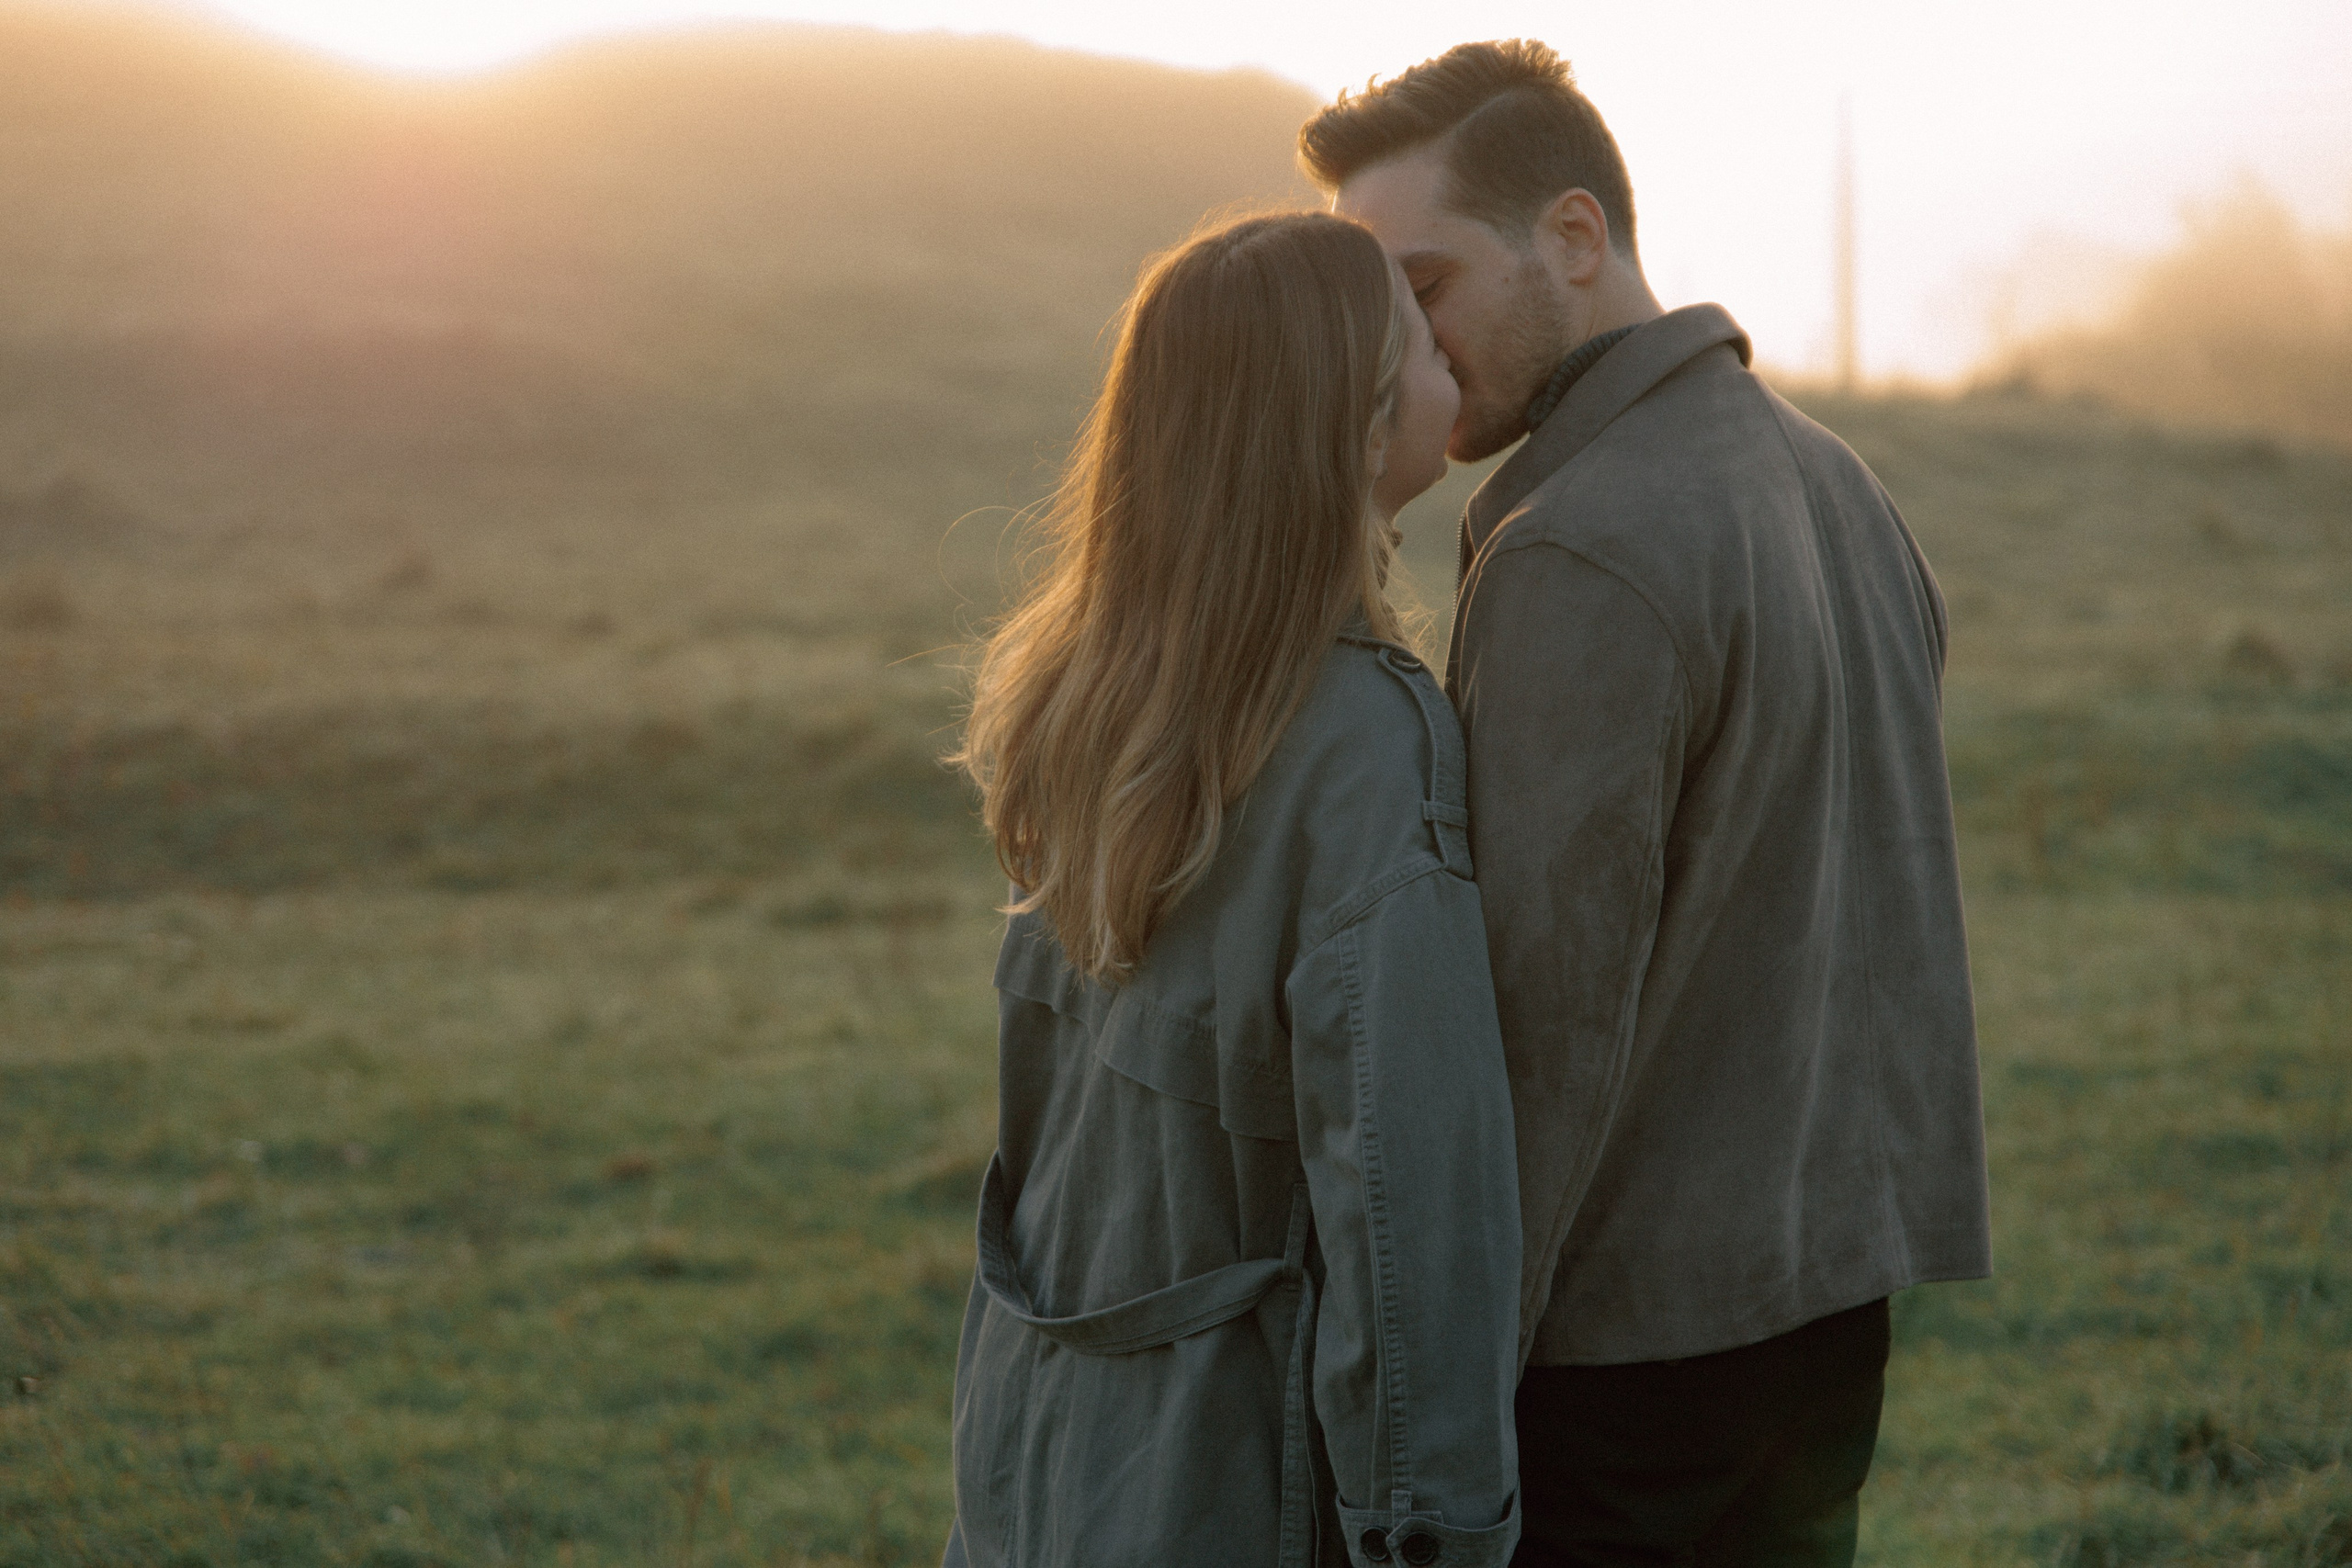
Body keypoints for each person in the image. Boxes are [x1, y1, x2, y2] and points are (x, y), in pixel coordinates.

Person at [1299, 41, 1994, 1568]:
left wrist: (1427, 1422)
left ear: (1573, 234)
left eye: (1423, 292)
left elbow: (1528, 1036)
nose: (1400, 349)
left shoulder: (1578, 543)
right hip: (1828, 1308)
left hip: (1623, 1356)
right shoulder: (1835, 479)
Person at [944, 210, 1523, 1568]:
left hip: (1035, 1459)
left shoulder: (1082, 691)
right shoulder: (1367, 745)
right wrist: (1432, 1533)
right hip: (1227, 1489)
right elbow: (1401, 1191)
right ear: (1351, 415)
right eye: (1410, 327)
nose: (1443, 343)